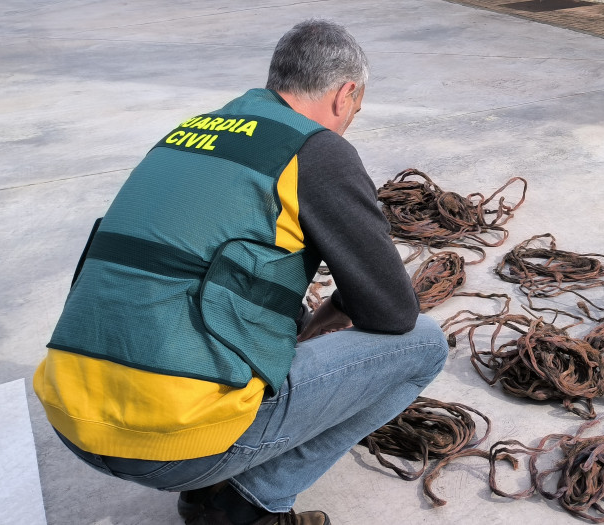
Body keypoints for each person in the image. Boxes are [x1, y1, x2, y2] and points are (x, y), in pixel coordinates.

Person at [32, 19, 446, 525]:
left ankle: (211, 483)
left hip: (70, 416)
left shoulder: (187, 131)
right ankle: (248, 506)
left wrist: (303, 324)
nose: (349, 121)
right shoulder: (317, 151)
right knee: (423, 343)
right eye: (355, 110)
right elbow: (392, 311)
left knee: (275, 309)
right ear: (345, 95)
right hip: (172, 445)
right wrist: (334, 313)